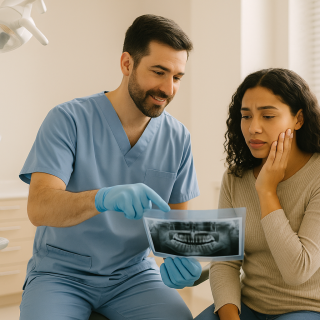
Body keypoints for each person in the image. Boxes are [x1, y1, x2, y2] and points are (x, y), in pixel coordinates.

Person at [18, 14, 202, 320]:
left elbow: (175, 227)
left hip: (134, 275)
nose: (168, 88)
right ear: (127, 64)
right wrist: (101, 198)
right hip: (60, 273)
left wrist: (182, 258)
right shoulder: (68, 120)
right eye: (159, 72)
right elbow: (39, 208)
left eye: (177, 77)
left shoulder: (178, 137)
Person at [195, 68, 320, 320]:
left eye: (268, 116)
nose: (253, 128)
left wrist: (267, 191)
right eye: (246, 116)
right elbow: (225, 262)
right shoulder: (235, 178)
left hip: (310, 309)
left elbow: (297, 271)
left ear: (298, 119)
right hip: (248, 308)